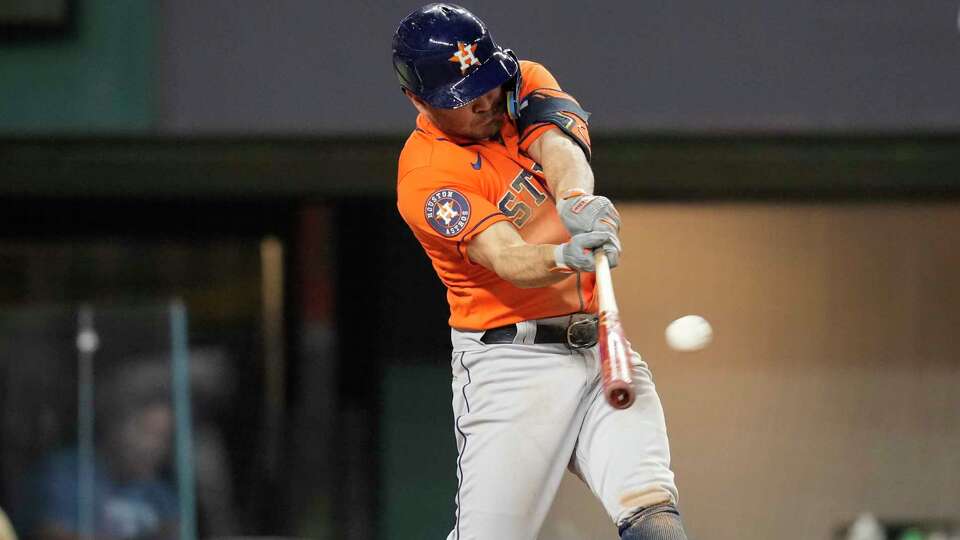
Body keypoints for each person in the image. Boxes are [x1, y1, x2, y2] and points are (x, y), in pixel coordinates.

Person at [392, 4, 689, 540]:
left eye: (485, 82)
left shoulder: (522, 79)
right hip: (511, 365)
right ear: (418, 100)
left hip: (597, 346)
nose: (484, 100)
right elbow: (505, 256)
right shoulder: (426, 176)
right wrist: (563, 256)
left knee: (653, 515)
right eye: (462, 97)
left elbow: (558, 144)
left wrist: (575, 198)